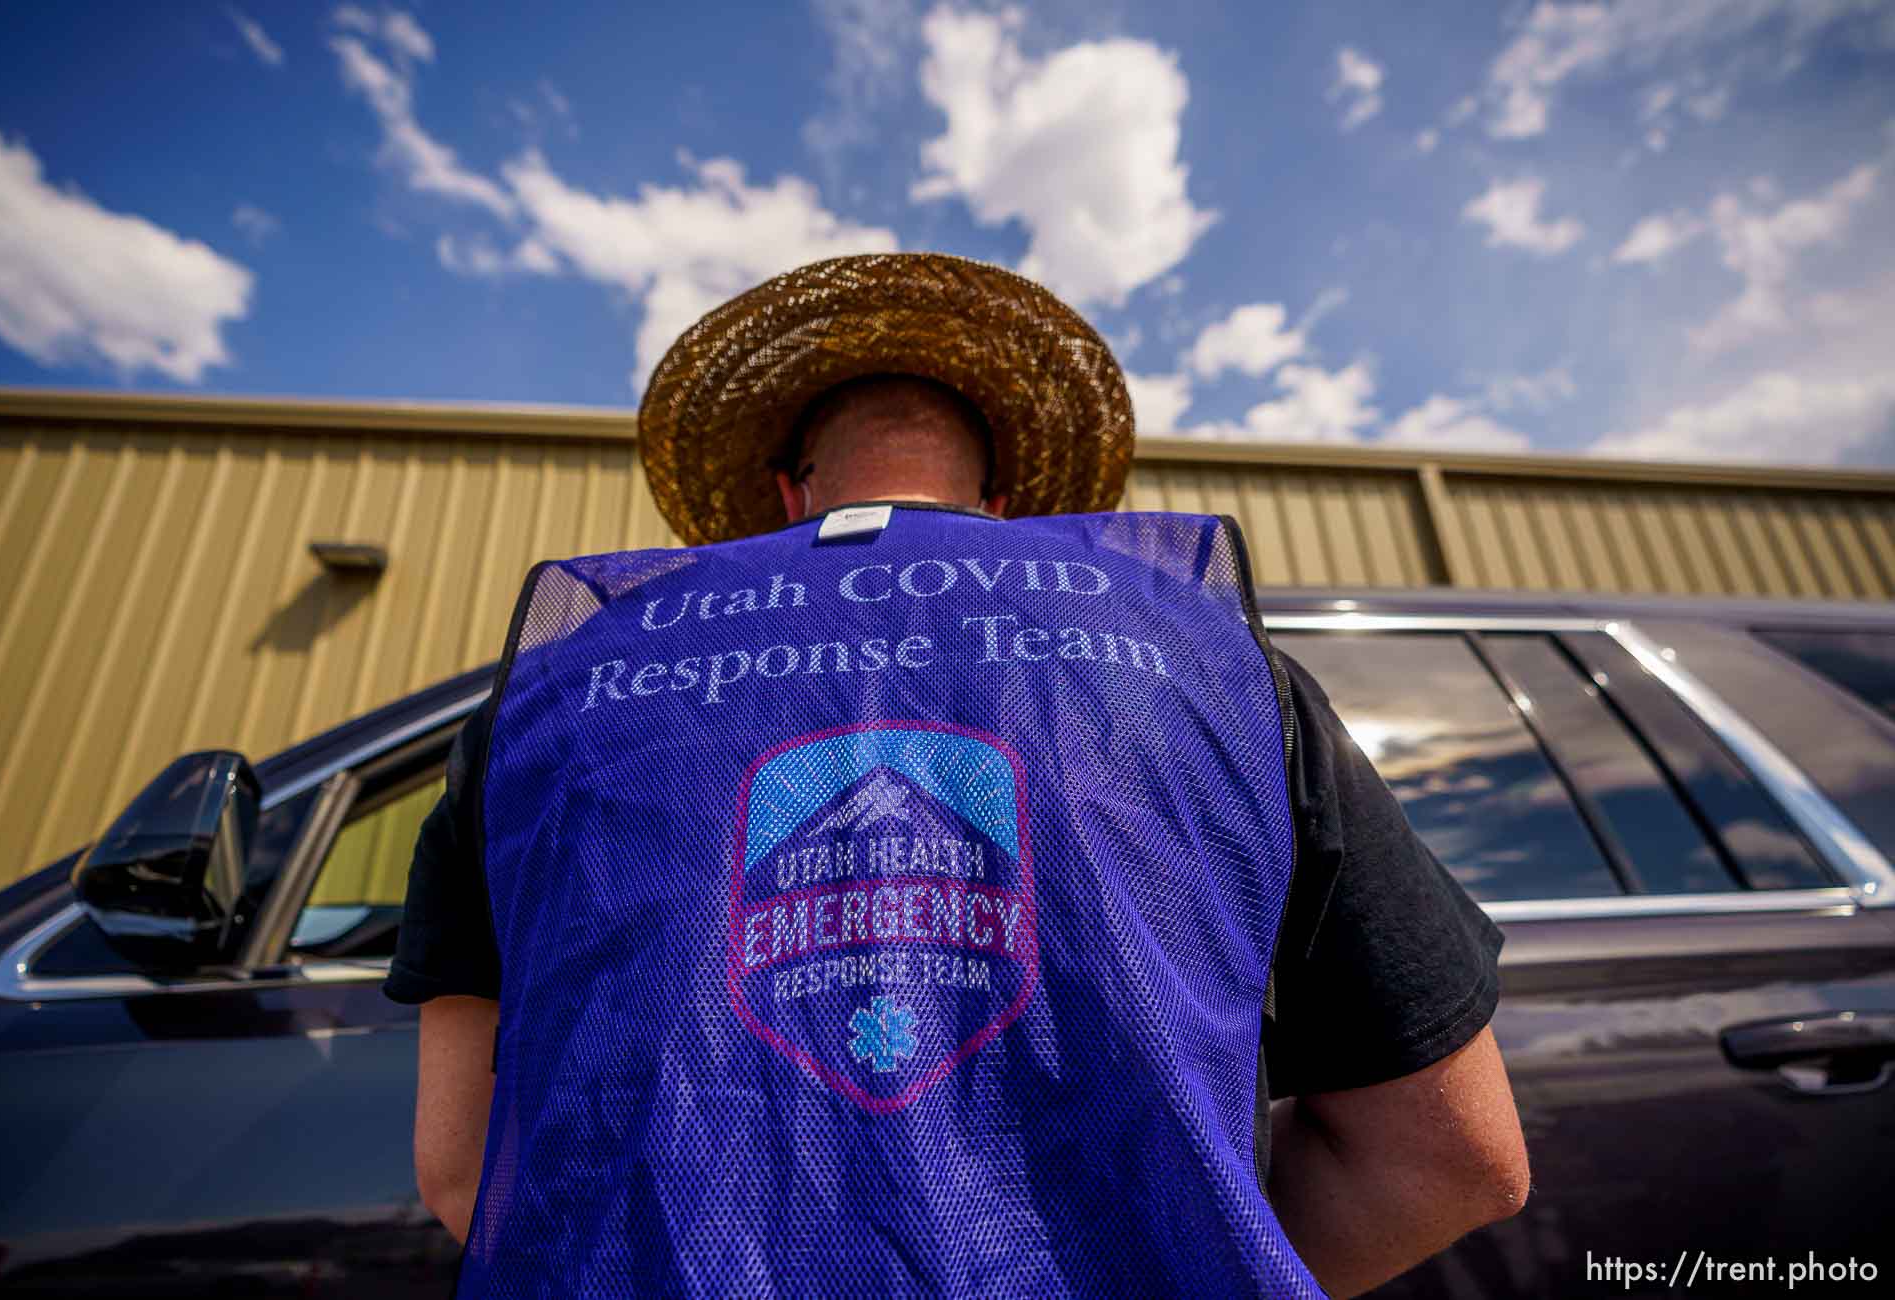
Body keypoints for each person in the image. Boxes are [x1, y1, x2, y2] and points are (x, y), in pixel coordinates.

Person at [385, 252, 1528, 1298]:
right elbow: (1454, 1156)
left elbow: (467, 1172)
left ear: (786, 493)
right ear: (999, 508)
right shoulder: (1207, 661)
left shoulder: (564, 682)